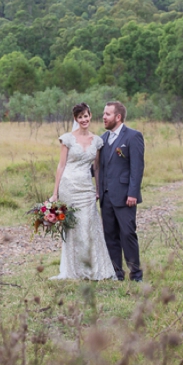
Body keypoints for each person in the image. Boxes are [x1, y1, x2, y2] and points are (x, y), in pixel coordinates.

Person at [49, 103, 116, 280]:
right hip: (69, 185)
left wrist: (98, 190)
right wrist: (55, 193)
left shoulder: (97, 141)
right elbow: (61, 165)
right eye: (80, 117)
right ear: (75, 119)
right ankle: (74, 270)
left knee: (89, 224)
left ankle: (93, 268)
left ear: (90, 116)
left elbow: (97, 168)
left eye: (86, 116)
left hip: (86, 187)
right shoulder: (67, 139)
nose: (84, 119)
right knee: (73, 227)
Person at [98, 101, 144, 282]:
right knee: (110, 235)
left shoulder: (133, 137)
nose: (103, 117)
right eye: (103, 113)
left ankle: (136, 275)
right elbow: (99, 169)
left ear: (118, 117)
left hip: (125, 196)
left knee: (128, 234)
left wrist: (133, 193)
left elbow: (137, 168)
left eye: (107, 114)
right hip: (106, 196)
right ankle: (117, 273)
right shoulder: (102, 139)